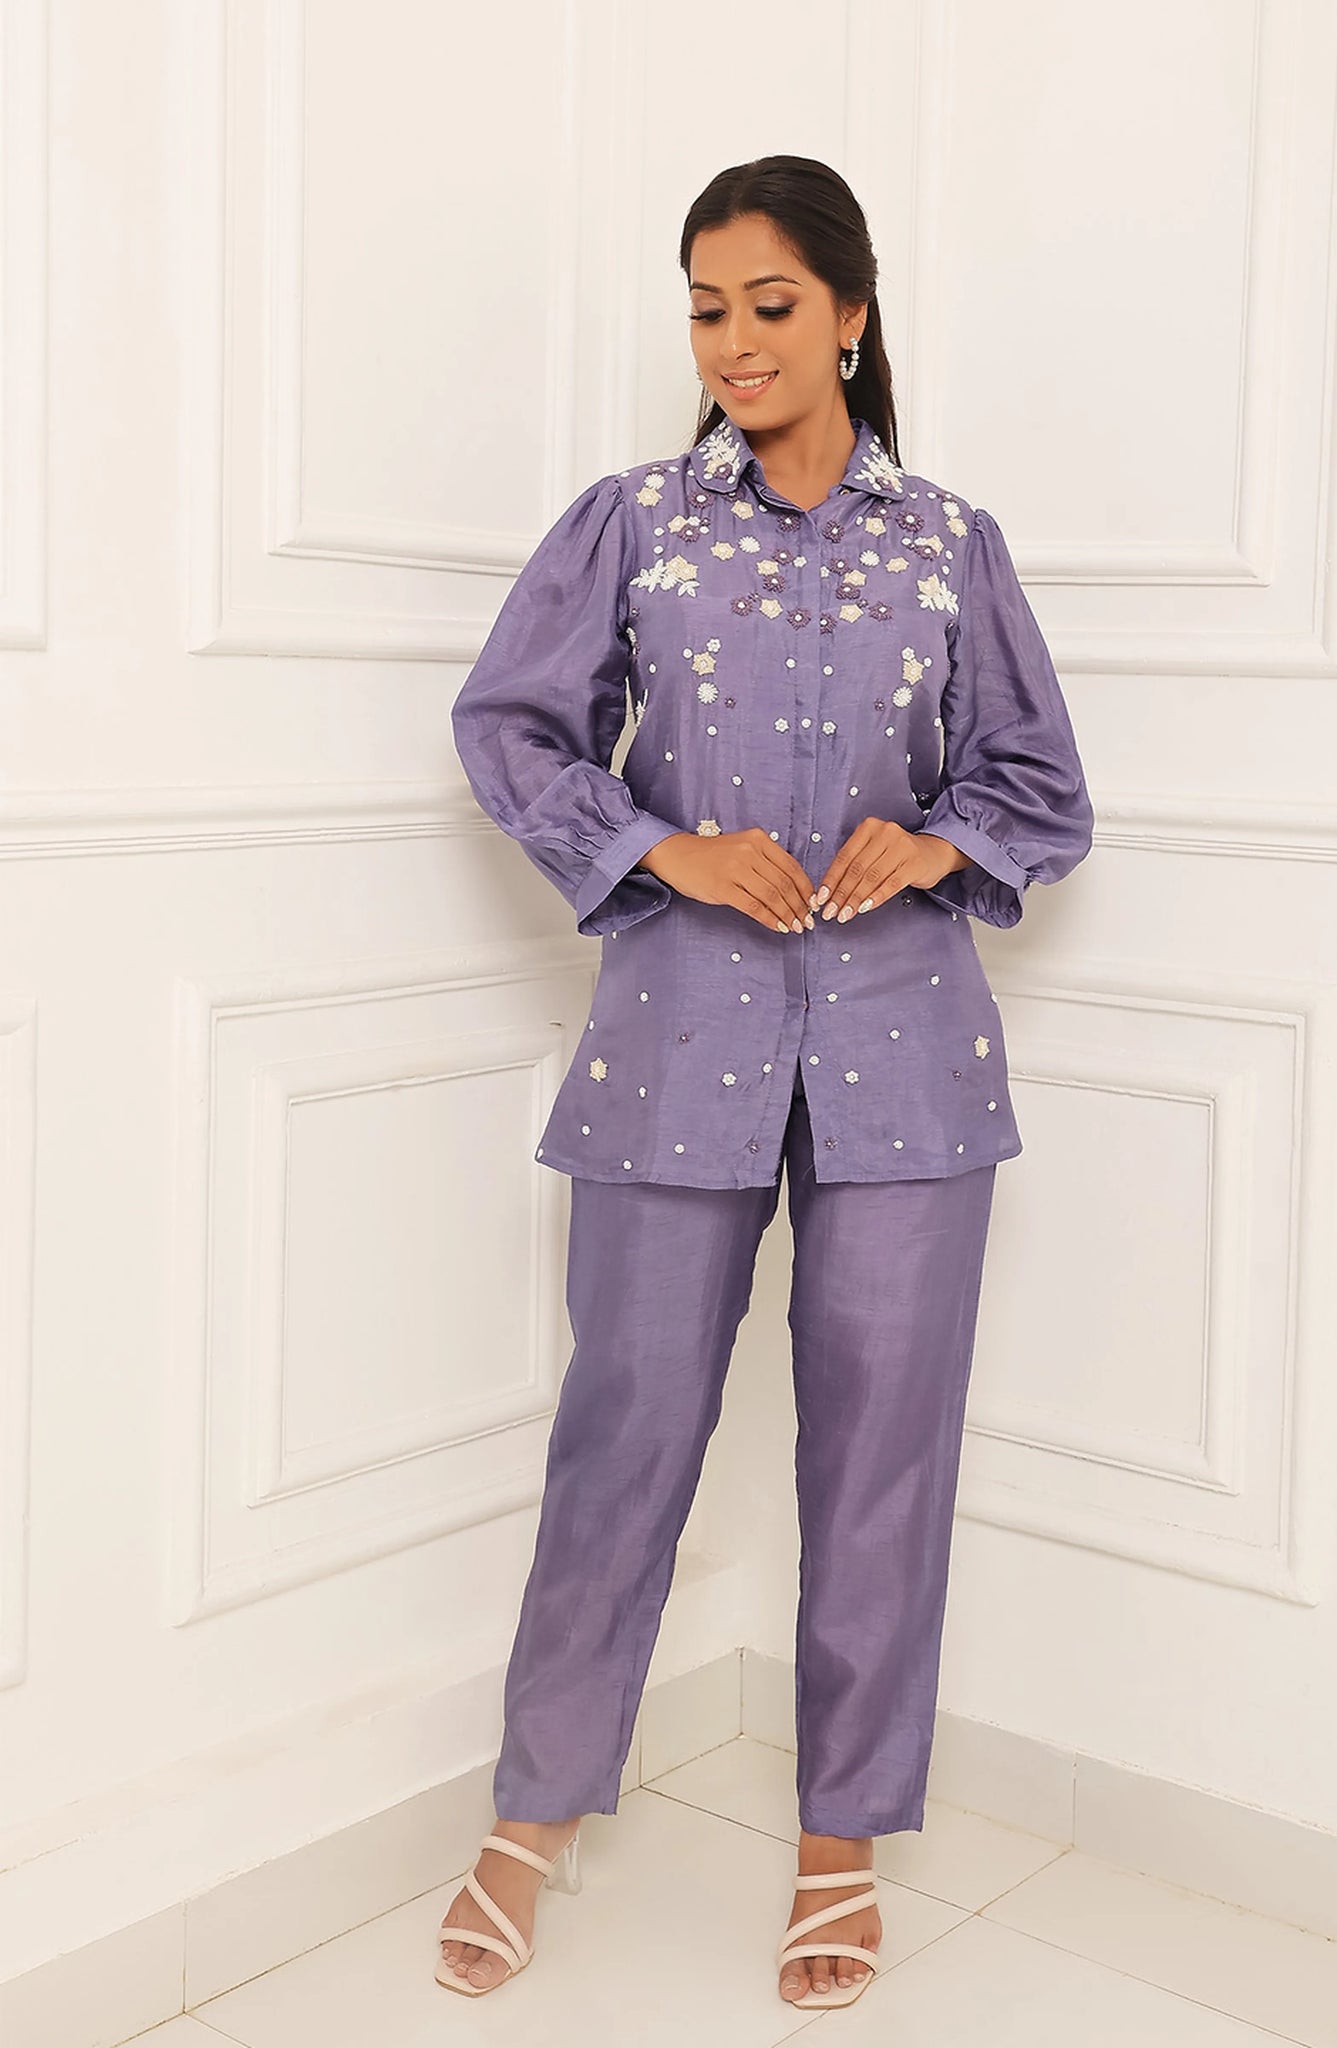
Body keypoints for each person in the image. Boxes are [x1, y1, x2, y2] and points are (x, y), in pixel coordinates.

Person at [436, 154, 1095, 2010]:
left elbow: (1040, 784)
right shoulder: (632, 526)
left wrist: (935, 839)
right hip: (677, 1038)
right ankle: (535, 1815)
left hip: (910, 1053)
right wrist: (663, 846)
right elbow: (511, 728)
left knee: (882, 1457)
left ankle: (840, 1843)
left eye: (771, 306)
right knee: (625, 1429)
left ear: (852, 316)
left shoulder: (949, 544)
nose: (734, 342)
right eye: (708, 310)